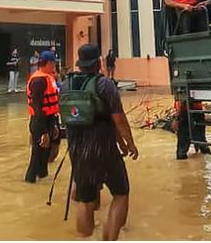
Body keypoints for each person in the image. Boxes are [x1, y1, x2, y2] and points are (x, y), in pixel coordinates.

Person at [62, 44, 138, 241]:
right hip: (104, 151)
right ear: (98, 62)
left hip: (77, 152)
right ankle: (109, 238)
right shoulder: (105, 85)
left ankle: (84, 237)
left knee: (84, 201)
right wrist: (129, 143)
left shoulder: (65, 84)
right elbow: (118, 119)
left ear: (80, 63)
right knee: (121, 194)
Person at [25, 50, 60, 183]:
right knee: (37, 154)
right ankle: (30, 180)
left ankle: (43, 178)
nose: (54, 66)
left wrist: (54, 125)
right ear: (49, 63)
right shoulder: (38, 80)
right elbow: (37, 107)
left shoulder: (48, 77)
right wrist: (44, 131)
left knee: (45, 155)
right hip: (40, 121)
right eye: (53, 63)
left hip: (49, 119)